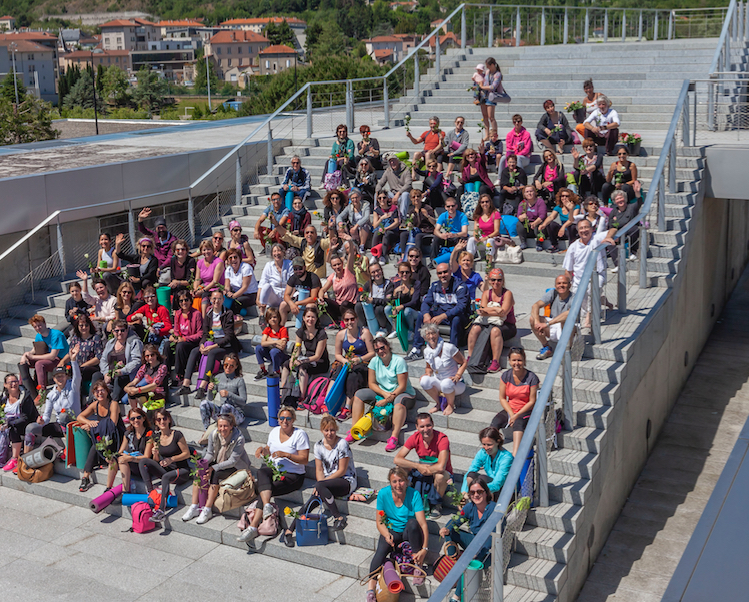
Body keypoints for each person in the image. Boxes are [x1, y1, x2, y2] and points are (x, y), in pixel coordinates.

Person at [279, 416, 357, 545]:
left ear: (336, 430)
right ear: (322, 430)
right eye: (326, 430)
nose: (329, 433)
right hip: (326, 484)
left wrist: (321, 484)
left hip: (345, 481)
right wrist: (321, 483)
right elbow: (319, 470)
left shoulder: (342, 444)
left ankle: (339, 517)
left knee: (319, 489)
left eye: (332, 430)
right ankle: (289, 531)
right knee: (310, 502)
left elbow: (342, 471)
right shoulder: (318, 445)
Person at [241, 406, 309, 545]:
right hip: (275, 470)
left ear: (293, 420)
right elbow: (268, 450)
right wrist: (262, 450)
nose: (285, 421)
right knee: (261, 472)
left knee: (264, 489)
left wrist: (287, 455)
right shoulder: (274, 432)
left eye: (288, 418)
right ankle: (267, 506)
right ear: (278, 420)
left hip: (293, 475)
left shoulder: (300, 434)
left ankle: (253, 526)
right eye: (282, 418)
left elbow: (305, 459)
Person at [365, 467, 429, 602]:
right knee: (380, 551)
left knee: (412, 523)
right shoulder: (383, 494)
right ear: (390, 482)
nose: (398, 485)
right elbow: (379, 521)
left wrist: (425, 548)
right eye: (394, 481)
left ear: (406, 481)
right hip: (392, 531)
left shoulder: (414, 495)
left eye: (401, 481)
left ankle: (418, 565)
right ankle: (370, 589)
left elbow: (423, 524)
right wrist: (386, 534)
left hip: (408, 532)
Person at [182, 413, 252, 525]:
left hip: (236, 466)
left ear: (231, 426)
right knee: (199, 473)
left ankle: (207, 509)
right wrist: (203, 464)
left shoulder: (239, 438)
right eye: (220, 426)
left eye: (225, 426)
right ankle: (194, 506)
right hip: (219, 460)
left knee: (215, 474)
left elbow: (232, 461)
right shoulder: (214, 434)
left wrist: (212, 468)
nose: (222, 429)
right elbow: (210, 453)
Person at [349, 337, 416, 452]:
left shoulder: (399, 361)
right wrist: (384, 394)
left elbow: (402, 386)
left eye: (382, 348)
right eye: (377, 350)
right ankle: (355, 430)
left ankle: (394, 437)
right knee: (359, 394)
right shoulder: (375, 361)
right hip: (383, 392)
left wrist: (388, 399)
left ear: (388, 346)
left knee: (398, 402)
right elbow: (371, 383)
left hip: (403, 393)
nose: (380, 351)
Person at [182, 290, 240, 400]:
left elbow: (229, 337)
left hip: (225, 346)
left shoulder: (228, 313)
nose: (216, 301)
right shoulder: (208, 315)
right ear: (210, 300)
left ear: (223, 300)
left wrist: (213, 346)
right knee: (195, 351)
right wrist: (202, 345)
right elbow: (205, 333)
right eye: (214, 298)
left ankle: (202, 386)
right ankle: (186, 384)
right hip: (211, 343)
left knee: (212, 353)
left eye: (219, 298)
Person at [405, 262, 470, 360]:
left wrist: (443, 316)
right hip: (441, 314)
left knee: (456, 319)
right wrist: (426, 314)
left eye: (445, 272)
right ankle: (417, 349)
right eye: (440, 273)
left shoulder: (460, 286)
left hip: (457, 317)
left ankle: (452, 352)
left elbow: (461, 307)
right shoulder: (435, 286)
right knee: (421, 315)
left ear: (450, 271)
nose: (442, 275)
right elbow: (426, 302)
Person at [138, 408, 191, 522]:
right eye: (159, 419)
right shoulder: (156, 437)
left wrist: (171, 459)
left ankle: (161, 511)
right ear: (156, 422)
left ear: (169, 420)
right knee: (143, 461)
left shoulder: (177, 434)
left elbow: (187, 454)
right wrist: (156, 454)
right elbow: (156, 460)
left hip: (182, 471)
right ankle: (151, 492)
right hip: (167, 470)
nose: (162, 421)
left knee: (165, 477)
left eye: (164, 418)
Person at [394, 412, 453, 515]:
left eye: (428, 425)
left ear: (433, 424)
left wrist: (425, 470)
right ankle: (404, 497)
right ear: (417, 427)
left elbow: (441, 466)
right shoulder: (415, 437)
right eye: (422, 426)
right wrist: (417, 466)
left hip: (440, 474)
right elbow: (397, 459)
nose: (426, 429)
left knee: (440, 476)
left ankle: (436, 504)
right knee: (399, 468)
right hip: (422, 469)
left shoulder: (442, 439)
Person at [77, 379, 125, 492]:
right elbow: (79, 417)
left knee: (97, 445)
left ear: (107, 392)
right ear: (94, 394)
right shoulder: (95, 405)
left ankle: (90, 477)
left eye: (102, 390)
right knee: (96, 446)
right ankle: (85, 477)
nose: (100, 393)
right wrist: (89, 423)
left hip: (117, 437)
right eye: (97, 391)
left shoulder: (113, 404)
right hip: (104, 437)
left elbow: (112, 424)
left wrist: (95, 426)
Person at [466, 268, 516, 373]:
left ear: (503, 281)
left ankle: (495, 361)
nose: (496, 282)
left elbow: (503, 313)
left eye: (499, 280)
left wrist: (488, 310)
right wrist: (496, 309)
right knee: (475, 328)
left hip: (507, 325)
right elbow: (481, 311)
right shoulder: (486, 293)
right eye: (493, 280)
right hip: (489, 322)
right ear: (489, 281)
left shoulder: (507, 294)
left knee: (495, 331)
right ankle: (471, 357)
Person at [491, 347, 539, 456]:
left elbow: (532, 401)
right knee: (494, 423)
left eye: (519, 360)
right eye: (514, 360)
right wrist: (512, 414)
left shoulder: (532, 378)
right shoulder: (506, 376)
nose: (516, 363)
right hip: (511, 409)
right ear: (509, 361)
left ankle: (515, 455)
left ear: (524, 361)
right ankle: (493, 453)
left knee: (518, 423)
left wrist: (516, 416)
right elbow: (502, 398)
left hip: (526, 411)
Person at [563, 218, 613, 324]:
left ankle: (589, 318)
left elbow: (613, 229)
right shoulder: (573, 247)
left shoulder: (596, 238)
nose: (584, 230)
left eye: (586, 227)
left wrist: (608, 237)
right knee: (581, 305)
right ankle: (604, 301)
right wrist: (568, 285)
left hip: (597, 275)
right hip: (579, 280)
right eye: (581, 228)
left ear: (591, 229)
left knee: (591, 291)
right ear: (578, 231)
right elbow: (568, 270)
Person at [440, 477, 496, 564]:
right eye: (472, 492)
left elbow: (492, 536)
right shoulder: (470, 507)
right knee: (449, 531)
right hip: (475, 542)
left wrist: (477, 553)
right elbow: (455, 521)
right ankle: (452, 561)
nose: (476, 495)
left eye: (479, 492)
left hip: (489, 549)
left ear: (486, 493)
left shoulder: (493, 509)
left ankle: (474, 561)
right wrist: (445, 529)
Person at [28, 350, 81, 443]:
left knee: (63, 416)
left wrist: (73, 360)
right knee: (31, 428)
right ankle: (24, 456)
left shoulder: (73, 387)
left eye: (62, 376)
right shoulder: (51, 394)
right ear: (54, 379)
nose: (60, 378)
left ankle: (69, 446)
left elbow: (77, 377)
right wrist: (42, 421)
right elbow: (47, 416)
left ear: (66, 376)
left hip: (74, 422)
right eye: (57, 377)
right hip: (60, 425)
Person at [332, 307, 375, 418]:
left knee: (353, 374)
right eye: (347, 320)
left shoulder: (364, 333)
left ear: (357, 319)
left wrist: (359, 359)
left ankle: (347, 407)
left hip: (364, 362)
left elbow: (372, 353)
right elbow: (337, 354)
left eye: (352, 319)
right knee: (337, 371)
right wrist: (345, 360)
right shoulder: (341, 335)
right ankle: (329, 402)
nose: (350, 322)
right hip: (348, 361)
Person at [18, 314, 70, 400]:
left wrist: (33, 357)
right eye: (35, 327)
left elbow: (53, 356)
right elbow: (35, 350)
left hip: (61, 360)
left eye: (39, 325)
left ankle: (42, 391)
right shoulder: (39, 336)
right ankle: (21, 387)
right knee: (23, 363)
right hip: (47, 357)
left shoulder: (56, 335)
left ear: (45, 324)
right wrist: (25, 355)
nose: (38, 328)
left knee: (39, 364)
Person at [418, 325, 467, 416]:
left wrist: (458, 375)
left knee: (446, 383)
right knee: (424, 381)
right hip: (439, 380)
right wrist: (427, 374)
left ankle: (450, 404)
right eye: (428, 334)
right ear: (425, 337)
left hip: (455, 383)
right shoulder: (427, 351)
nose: (431, 336)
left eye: (433, 333)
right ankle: (438, 403)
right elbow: (428, 367)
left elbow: (464, 362)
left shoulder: (448, 347)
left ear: (438, 333)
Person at [94, 319, 144, 404]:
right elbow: (103, 360)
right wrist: (106, 373)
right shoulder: (110, 343)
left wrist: (121, 371)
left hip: (126, 375)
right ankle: (93, 400)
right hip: (110, 374)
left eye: (122, 330)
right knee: (96, 375)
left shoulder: (134, 342)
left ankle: (114, 402)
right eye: (117, 331)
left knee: (119, 378)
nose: (120, 333)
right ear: (113, 331)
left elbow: (137, 361)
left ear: (127, 330)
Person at [198, 353, 246, 438]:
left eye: (231, 366)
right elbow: (210, 398)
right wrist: (210, 390)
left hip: (236, 414)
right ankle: (207, 430)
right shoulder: (218, 377)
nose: (228, 367)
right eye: (225, 365)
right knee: (204, 403)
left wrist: (229, 394)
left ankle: (220, 433)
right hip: (222, 411)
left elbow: (243, 401)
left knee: (226, 406)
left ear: (236, 366)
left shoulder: (239, 380)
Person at [107, 407, 154, 492]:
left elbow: (147, 456)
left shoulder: (149, 433)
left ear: (144, 418)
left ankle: (125, 490)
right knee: (115, 458)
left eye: (138, 417)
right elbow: (121, 451)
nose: (135, 420)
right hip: (132, 461)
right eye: (132, 418)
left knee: (123, 460)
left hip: (144, 466)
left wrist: (130, 458)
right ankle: (108, 487)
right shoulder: (128, 433)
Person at [461, 427, 513, 500]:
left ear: (498, 442)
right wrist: (463, 491)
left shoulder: (506, 457)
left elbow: (497, 484)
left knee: (482, 480)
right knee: (471, 475)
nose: (486, 448)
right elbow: (471, 471)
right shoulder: (482, 453)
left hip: (504, 490)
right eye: (484, 444)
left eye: (489, 445)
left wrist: (477, 490)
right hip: (489, 488)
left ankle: (486, 508)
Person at [530, 275, 573, 360]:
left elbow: (568, 314)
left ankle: (566, 350)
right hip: (553, 325)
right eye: (559, 283)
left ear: (570, 285)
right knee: (532, 318)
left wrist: (547, 324)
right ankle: (546, 347)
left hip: (570, 329)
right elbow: (535, 305)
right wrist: (537, 323)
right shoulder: (553, 293)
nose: (561, 285)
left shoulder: (574, 297)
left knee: (565, 321)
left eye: (564, 283)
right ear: (555, 286)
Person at [290, 307, 330, 399]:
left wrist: (303, 361)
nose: (310, 319)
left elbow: (317, 356)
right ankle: (285, 391)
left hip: (320, 362)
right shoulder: (301, 332)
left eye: (313, 317)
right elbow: (297, 349)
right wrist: (293, 360)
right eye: (308, 316)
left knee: (303, 367)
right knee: (285, 364)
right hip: (307, 359)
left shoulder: (321, 334)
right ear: (303, 318)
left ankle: (302, 397)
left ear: (316, 319)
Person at [1, 373, 38, 472]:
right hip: (8, 423)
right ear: (5, 385)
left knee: (13, 427)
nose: (13, 384)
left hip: (26, 424)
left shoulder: (25, 396)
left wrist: (8, 423)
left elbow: (25, 417)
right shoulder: (4, 397)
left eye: (15, 381)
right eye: (10, 382)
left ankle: (15, 458)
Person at [169, 290, 203, 390]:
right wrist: (174, 337)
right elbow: (176, 330)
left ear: (190, 300)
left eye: (186, 300)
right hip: (181, 340)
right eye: (181, 301)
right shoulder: (178, 314)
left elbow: (200, 334)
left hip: (192, 342)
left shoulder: (196, 314)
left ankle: (180, 374)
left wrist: (184, 339)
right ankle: (165, 374)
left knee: (180, 346)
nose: (184, 303)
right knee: (167, 345)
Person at [320, 242, 359, 327]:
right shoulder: (332, 276)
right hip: (339, 306)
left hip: (350, 304)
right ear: (332, 267)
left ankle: (343, 321)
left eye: (339, 264)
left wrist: (350, 241)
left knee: (344, 304)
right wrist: (321, 298)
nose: (337, 266)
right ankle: (336, 321)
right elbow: (323, 290)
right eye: (335, 265)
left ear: (342, 264)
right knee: (326, 302)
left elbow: (351, 255)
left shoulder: (348, 272)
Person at [59, 313, 103, 385]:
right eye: (81, 325)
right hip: (78, 367)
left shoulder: (95, 338)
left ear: (90, 326)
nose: (84, 327)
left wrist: (83, 366)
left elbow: (98, 357)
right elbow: (70, 353)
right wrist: (62, 361)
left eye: (86, 325)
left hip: (90, 368)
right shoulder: (76, 338)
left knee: (78, 371)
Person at [122, 344, 168, 411]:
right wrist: (127, 387)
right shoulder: (144, 367)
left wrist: (138, 390)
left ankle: (143, 412)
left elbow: (155, 385)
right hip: (148, 392)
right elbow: (135, 381)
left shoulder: (162, 367)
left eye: (152, 355)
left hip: (159, 393)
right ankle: (134, 411)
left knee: (138, 392)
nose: (150, 357)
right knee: (131, 392)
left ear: (156, 355)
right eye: (147, 356)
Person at [355, 260, 394, 337]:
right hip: (370, 311)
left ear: (381, 271)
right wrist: (361, 297)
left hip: (381, 311)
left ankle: (384, 328)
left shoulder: (388, 284)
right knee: (358, 305)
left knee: (379, 308)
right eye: (373, 272)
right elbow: (359, 296)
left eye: (378, 271)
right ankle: (365, 326)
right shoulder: (368, 284)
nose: (376, 274)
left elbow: (388, 301)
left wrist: (373, 300)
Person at [257, 243, 293, 324]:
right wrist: (258, 298)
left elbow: (293, 281)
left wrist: (290, 297)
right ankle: (262, 314)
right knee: (266, 286)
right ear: (272, 254)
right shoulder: (269, 265)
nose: (277, 253)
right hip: (274, 296)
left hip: (286, 295)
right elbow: (262, 282)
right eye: (275, 251)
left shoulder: (289, 264)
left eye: (279, 251)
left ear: (283, 252)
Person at [606, 189, 641, 270]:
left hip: (631, 232)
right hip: (619, 234)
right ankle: (619, 265)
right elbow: (611, 226)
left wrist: (637, 192)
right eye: (617, 199)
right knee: (610, 241)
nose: (620, 200)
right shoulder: (613, 212)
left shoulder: (631, 207)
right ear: (614, 201)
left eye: (621, 198)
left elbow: (639, 202)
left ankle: (633, 251)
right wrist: (613, 235)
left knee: (633, 229)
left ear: (625, 198)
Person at [399, 188, 436, 262]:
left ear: (421, 197)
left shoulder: (427, 208)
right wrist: (410, 225)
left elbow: (434, 223)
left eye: (418, 196)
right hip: (417, 230)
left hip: (427, 231)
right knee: (403, 234)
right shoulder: (411, 211)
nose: (416, 198)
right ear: (411, 199)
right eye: (413, 197)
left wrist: (427, 216)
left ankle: (418, 257)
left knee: (418, 236)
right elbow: (413, 225)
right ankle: (403, 256)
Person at [538, 188, 581, 253]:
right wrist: (543, 224)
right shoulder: (558, 207)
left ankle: (572, 247)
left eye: (567, 196)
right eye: (562, 196)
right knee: (550, 224)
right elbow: (551, 217)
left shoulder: (576, 206)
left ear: (571, 197)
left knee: (572, 226)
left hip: (572, 231)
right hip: (562, 232)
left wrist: (563, 227)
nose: (564, 198)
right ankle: (554, 245)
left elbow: (572, 219)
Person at [283, 256, 322, 325]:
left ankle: (309, 327)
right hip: (297, 301)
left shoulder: (313, 278)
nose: (298, 271)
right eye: (295, 269)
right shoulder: (293, 278)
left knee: (309, 306)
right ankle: (282, 326)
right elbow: (286, 295)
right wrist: (291, 304)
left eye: (300, 268)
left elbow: (313, 298)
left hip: (311, 302)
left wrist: (298, 303)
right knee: (283, 305)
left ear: (304, 267)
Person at [430, 197, 469, 267]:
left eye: (453, 206)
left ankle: (459, 261)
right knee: (436, 238)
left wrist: (454, 235)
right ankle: (433, 260)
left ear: (456, 206)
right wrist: (441, 235)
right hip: (448, 237)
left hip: (458, 236)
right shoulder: (443, 215)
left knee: (463, 239)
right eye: (448, 206)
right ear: (445, 207)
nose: (451, 208)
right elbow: (436, 230)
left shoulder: (462, 216)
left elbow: (464, 232)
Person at [388, 262, 421, 339]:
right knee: (387, 309)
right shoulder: (397, 284)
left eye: (407, 272)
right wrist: (395, 292)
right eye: (402, 272)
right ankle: (396, 328)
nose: (405, 274)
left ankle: (411, 330)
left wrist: (402, 306)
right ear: (398, 273)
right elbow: (392, 302)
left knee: (407, 310)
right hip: (402, 310)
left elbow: (414, 302)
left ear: (410, 273)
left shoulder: (416, 283)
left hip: (414, 311)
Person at [224, 248, 258, 319]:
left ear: (240, 258)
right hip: (237, 293)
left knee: (237, 302)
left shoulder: (246, 268)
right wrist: (227, 292)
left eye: (235, 257)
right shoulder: (228, 270)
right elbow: (227, 286)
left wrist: (234, 295)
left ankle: (230, 319)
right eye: (230, 258)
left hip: (250, 294)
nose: (233, 260)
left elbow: (244, 287)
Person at [255, 307, 289, 380]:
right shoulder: (267, 329)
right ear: (267, 320)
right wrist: (276, 341)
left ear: (279, 318)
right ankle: (263, 370)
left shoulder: (283, 329)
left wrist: (269, 340)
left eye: (274, 317)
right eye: (270, 318)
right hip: (271, 353)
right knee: (258, 348)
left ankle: (277, 372)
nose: (272, 319)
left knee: (274, 351)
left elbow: (282, 346)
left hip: (281, 355)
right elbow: (263, 343)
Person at [194, 238, 225, 316]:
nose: (206, 252)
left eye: (208, 249)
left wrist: (203, 290)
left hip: (216, 287)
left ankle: (205, 320)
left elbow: (215, 281)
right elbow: (197, 279)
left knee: (205, 298)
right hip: (204, 286)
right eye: (204, 250)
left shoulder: (218, 262)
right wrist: (195, 290)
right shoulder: (200, 263)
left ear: (212, 250)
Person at [479, 57, 510, 136]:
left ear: (493, 65)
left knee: (491, 117)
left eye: (488, 66)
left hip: (491, 96)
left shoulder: (497, 74)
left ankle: (494, 134)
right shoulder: (487, 72)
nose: (487, 68)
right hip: (484, 95)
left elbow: (493, 87)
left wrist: (482, 87)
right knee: (485, 116)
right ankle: (487, 135)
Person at [375, 154, 412, 218]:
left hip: (403, 194)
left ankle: (402, 218)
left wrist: (398, 193)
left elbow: (408, 184)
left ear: (398, 161)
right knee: (377, 194)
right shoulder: (388, 171)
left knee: (405, 194)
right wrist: (377, 191)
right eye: (390, 161)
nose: (392, 163)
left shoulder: (406, 170)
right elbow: (380, 183)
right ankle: (377, 214)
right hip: (392, 194)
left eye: (393, 161)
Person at [467, 194, 501, 262]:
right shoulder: (478, 215)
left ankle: (489, 263)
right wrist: (476, 236)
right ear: (480, 204)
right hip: (482, 239)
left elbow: (496, 231)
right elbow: (475, 230)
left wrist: (486, 237)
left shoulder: (495, 213)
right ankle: (469, 260)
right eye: (482, 202)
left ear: (490, 202)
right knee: (471, 240)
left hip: (493, 239)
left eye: (486, 202)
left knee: (489, 241)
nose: (484, 204)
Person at [337, 188, 372, 253]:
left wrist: (356, 226)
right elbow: (339, 216)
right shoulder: (349, 207)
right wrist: (340, 223)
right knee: (341, 226)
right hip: (352, 227)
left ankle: (362, 246)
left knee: (364, 225)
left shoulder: (366, 205)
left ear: (360, 197)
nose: (354, 200)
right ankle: (345, 244)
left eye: (356, 197)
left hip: (363, 228)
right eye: (352, 198)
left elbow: (366, 218)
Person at [166, 239, 197, 311]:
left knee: (178, 291)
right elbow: (172, 277)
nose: (180, 251)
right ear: (174, 251)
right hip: (177, 285)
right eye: (178, 250)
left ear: (186, 250)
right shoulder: (173, 260)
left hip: (187, 287)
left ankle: (177, 311)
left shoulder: (191, 261)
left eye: (183, 249)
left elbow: (190, 281)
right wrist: (175, 282)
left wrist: (177, 282)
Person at [371, 192, 401, 265]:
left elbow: (396, 222)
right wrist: (381, 218)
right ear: (377, 199)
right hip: (381, 229)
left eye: (384, 197)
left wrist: (386, 228)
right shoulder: (377, 210)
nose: (382, 200)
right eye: (380, 198)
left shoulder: (393, 208)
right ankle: (374, 255)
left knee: (386, 234)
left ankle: (383, 256)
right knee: (376, 233)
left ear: (387, 198)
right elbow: (375, 225)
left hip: (392, 230)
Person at [516, 185, 548, 252]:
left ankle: (539, 243)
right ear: (524, 194)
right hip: (528, 227)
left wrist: (534, 223)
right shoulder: (523, 203)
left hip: (537, 224)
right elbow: (519, 215)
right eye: (527, 192)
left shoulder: (540, 202)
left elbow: (542, 216)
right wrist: (522, 217)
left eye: (531, 191)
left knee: (540, 225)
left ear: (535, 192)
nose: (529, 193)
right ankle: (523, 242)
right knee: (519, 224)